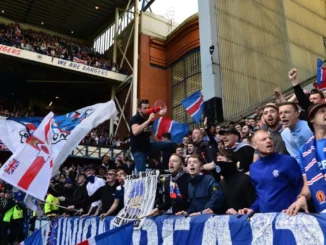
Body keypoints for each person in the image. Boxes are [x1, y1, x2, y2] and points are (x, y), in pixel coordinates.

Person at [238, 130, 303, 215]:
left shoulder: (288, 161)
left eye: (270, 138)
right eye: (263, 139)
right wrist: (252, 209)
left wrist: (294, 207)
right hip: (266, 220)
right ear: (254, 145)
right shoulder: (253, 168)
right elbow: (260, 196)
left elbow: (300, 189)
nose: (268, 141)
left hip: (288, 217)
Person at [286, 103, 326, 215]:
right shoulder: (304, 150)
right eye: (322, 111)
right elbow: (308, 184)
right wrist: (302, 198)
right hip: (323, 207)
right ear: (312, 119)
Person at [203, 149, 256, 214]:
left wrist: (237, 213)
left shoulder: (245, 180)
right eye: (217, 161)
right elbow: (223, 206)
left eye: (220, 160)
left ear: (231, 162)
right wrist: (213, 211)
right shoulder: (221, 183)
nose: (217, 163)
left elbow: (253, 207)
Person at [130, 99, 176, 171]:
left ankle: (166, 167)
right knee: (141, 173)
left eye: (148, 107)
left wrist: (160, 144)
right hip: (138, 150)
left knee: (170, 144)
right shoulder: (136, 118)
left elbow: (151, 134)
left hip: (148, 147)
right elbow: (135, 132)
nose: (147, 109)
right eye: (145, 108)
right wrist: (148, 120)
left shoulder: (148, 116)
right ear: (139, 109)